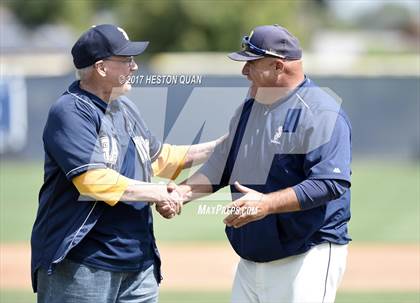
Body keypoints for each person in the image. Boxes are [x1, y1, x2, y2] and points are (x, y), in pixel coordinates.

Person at [30, 24, 222, 303]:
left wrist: (226, 144)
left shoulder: (125, 108)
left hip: (138, 264)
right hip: (83, 264)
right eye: (126, 60)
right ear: (101, 67)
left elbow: (163, 160)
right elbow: (93, 181)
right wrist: (158, 192)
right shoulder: (71, 111)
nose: (134, 66)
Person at [168, 25, 352, 303]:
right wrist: (182, 193)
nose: (244, 71)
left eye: (251, 63)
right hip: (252, 258)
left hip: (306, 256)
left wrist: (266, 204)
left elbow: (330, 182)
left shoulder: (320, 111)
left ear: (278, 66)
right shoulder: (249, 108)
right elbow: (223, 163)